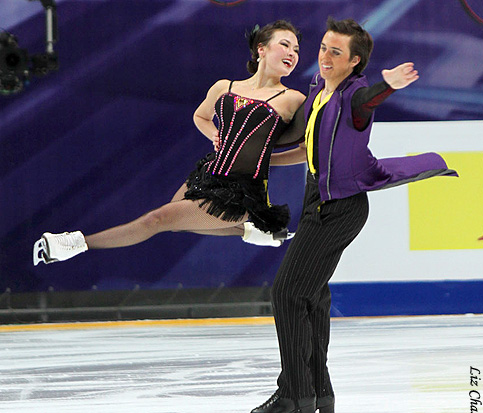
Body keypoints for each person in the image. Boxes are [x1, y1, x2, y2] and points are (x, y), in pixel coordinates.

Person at [249, 17, 458, 413]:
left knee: (288, 294)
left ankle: (294, 394)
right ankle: (317, 393)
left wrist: (387, 86)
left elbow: (366, 104)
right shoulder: (317, 91)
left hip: (339, 208)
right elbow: (296, 136)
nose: (325, 57)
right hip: (317, 199)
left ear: (354, 62)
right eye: (324, 47)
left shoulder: (354, 95)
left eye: (336, 52)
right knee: (312, 297)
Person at [33, 20, 307, 266]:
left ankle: (73, 244)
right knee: (175, 223)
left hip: (242, 190)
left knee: (159, 219)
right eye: (285, 45)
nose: (292, 54)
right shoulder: (225, 86)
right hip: (210, 174)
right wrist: (213, 133)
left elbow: (307, 151)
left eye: (296, 49)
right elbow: (201, 116)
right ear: (261, 49)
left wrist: (268, 158)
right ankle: (256, 232)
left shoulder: (293, 99)